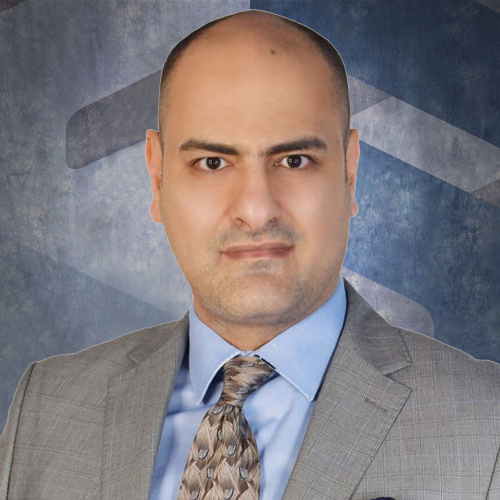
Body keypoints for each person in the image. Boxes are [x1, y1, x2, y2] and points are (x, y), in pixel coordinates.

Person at [1, 9, 499, 500]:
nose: (257, 211)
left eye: (295, 160)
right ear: (157, 177)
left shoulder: (485, 424)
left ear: (350, 172)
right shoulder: (45, 406)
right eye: (212, 163)